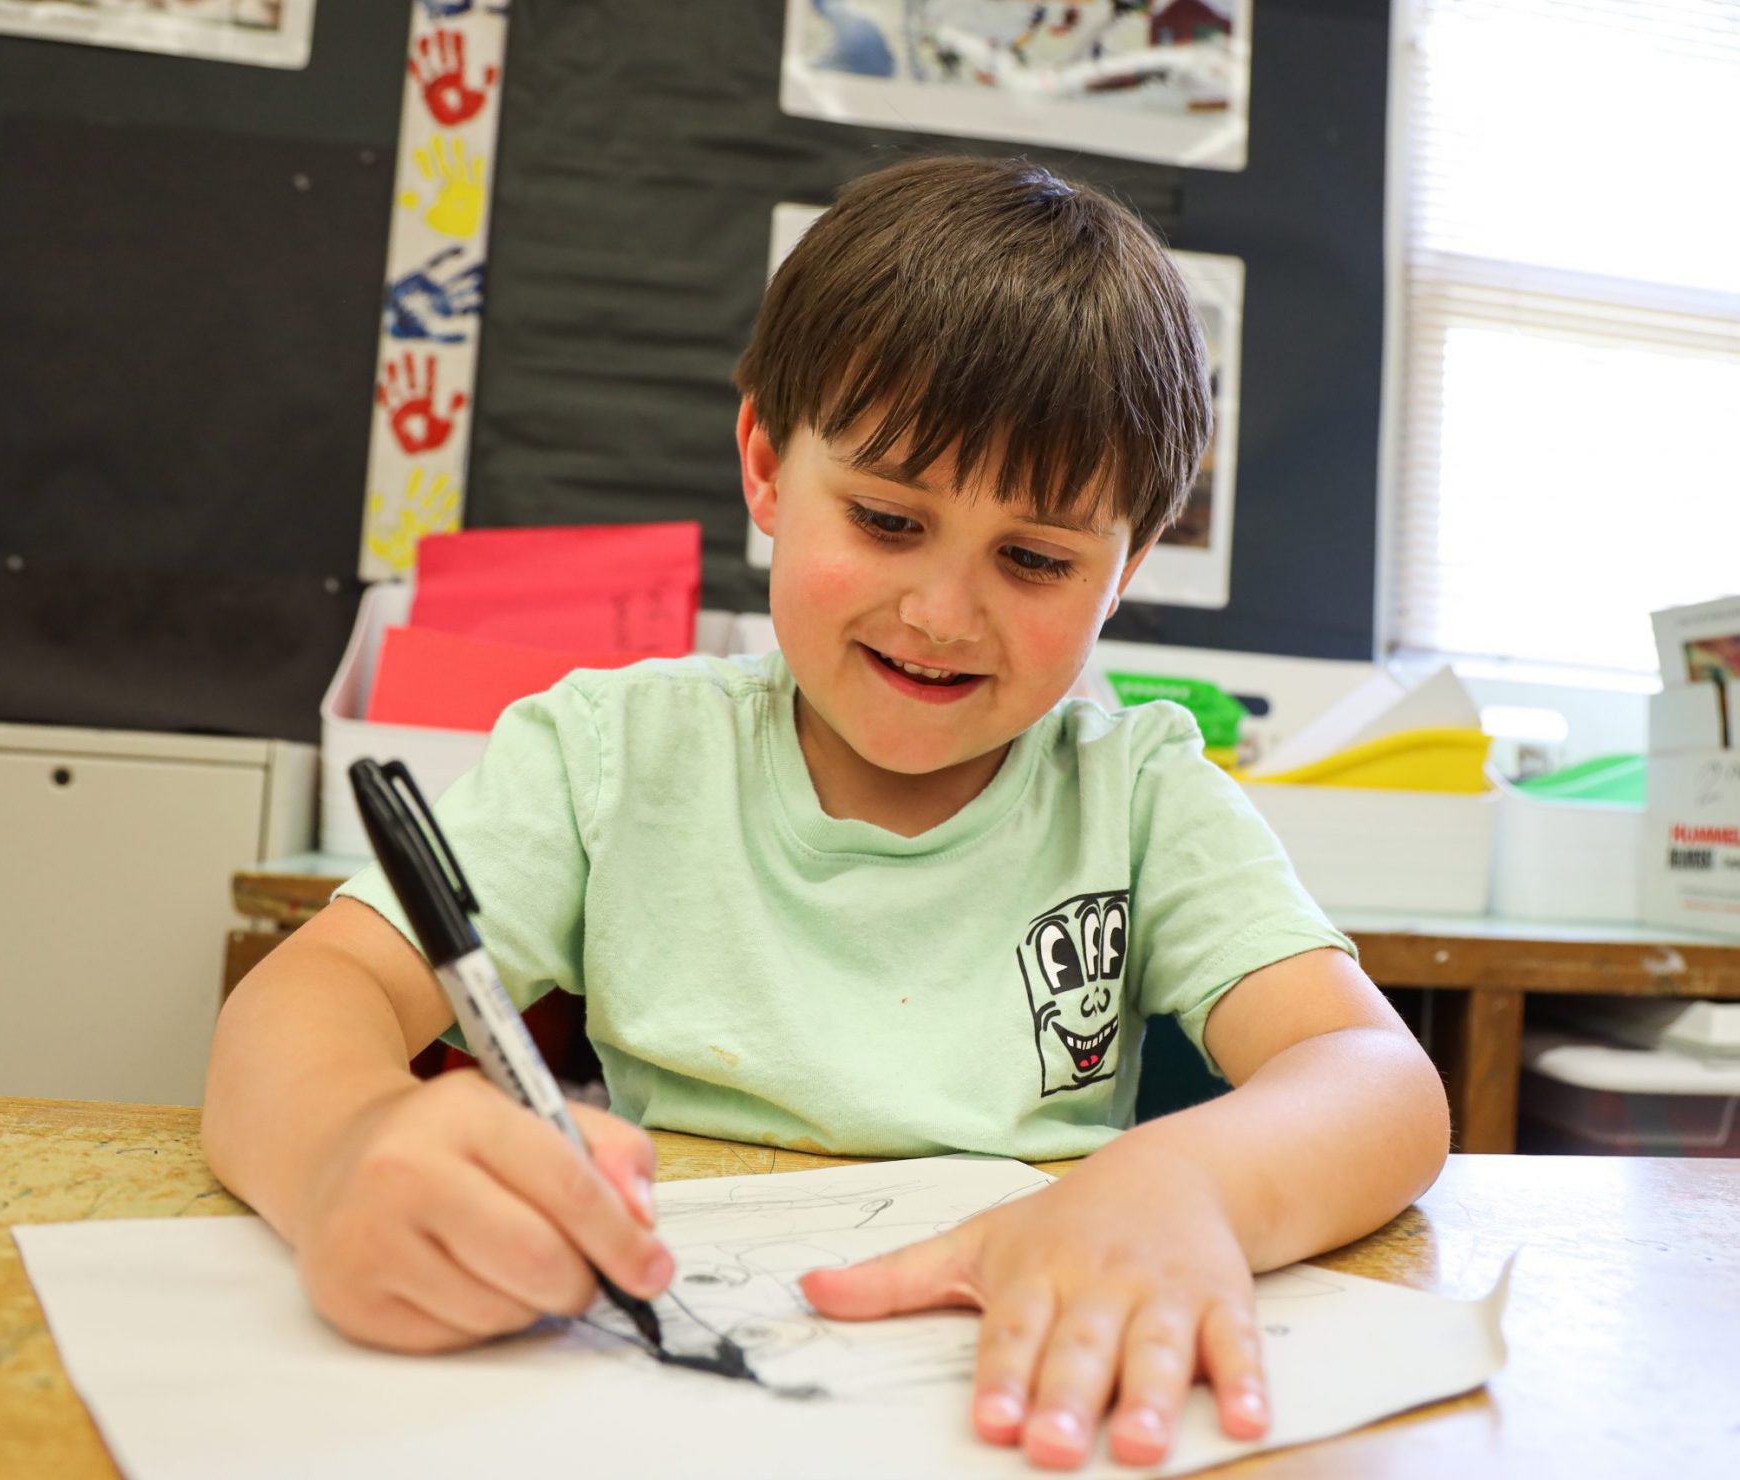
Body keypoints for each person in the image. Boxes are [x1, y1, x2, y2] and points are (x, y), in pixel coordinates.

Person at [204, 154, 1449, 1473]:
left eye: (1034, 559)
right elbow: (308, 997)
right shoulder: (609, 754)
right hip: (666, 1394)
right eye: (886, 517)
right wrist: (346, 1150)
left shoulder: (1138, 790)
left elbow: (1378, 1084)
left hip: (1007, 1402)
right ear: (763, 467)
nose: (941, 613)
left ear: (1126, 569)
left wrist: (1184, 1183)